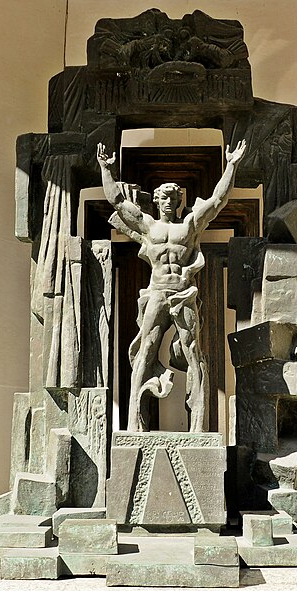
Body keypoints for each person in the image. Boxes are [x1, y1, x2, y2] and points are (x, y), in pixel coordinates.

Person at [97, 140, 247, 432]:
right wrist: (105, 169)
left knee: (193, 352)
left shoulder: (188, 226)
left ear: (179, 201)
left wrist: (232, 164)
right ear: (156, 201)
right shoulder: (147, 226)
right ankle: (134, 424)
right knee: (145, 351)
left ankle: (199, 426)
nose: (169, 202)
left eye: (173, 197)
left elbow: (217, 202)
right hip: (156, 293)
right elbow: (116, 200)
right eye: (164, 198)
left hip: (183, 294)